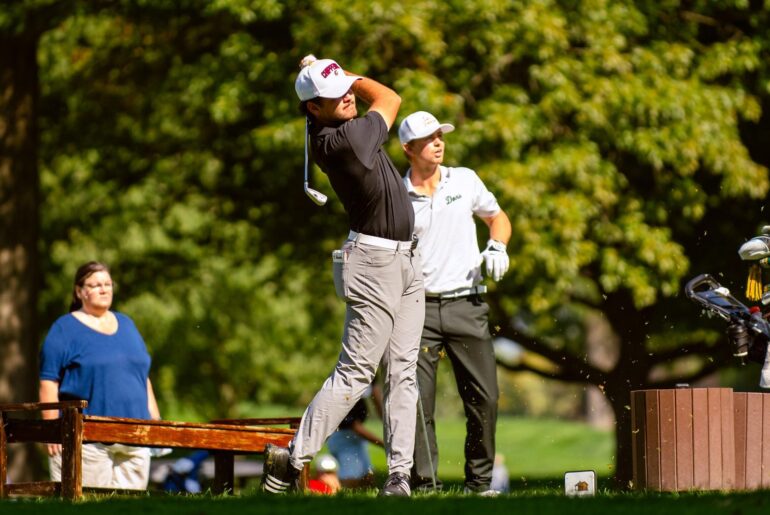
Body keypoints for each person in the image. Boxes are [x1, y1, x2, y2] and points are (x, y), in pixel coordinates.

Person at [261, 55, 424, 497]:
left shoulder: (335, 125)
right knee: (355, 372)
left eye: (348, 89)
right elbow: (390, 97)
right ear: (314, 108)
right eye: (337, 95)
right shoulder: (346, 139)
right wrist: (351, 74)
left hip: (406, 261)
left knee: (402, 373)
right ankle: (290, 460)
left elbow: (361, 98)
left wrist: (330, 77)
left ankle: (399, 478)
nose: (349, 96)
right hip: (374, 264)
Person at [399, 111, 512, 495]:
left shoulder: (464, 180)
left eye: (440, 136)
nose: (438, 142)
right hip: (418, 310)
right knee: (415, 404)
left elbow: (497, 218)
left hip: (468, 305)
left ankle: (479, 484)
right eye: (428, 139)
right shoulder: (396, 196)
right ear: (408, 149)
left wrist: (497, 244)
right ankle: (424, 487)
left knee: (485, 398)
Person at [38, 261, 162, 490]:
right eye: (96, 285)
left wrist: (155, 421)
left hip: (135, 439)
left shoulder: (127, 324)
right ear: (79, 291)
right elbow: (48, 381)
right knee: (87, 507)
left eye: (108, 284)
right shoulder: (64, 329)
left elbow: (142, 376)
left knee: (130, 510)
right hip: (87, 440)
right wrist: (51, 430)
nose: (104, 289)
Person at [326, 384, 384, 488]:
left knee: (368, 477)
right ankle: (340, 498)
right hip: (342, 437)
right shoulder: (344, 385)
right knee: (351, 478)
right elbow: (354, 426)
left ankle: (364, 502)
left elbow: (376, 393)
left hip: (354, 438)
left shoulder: (370, 375)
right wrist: (383, 444)